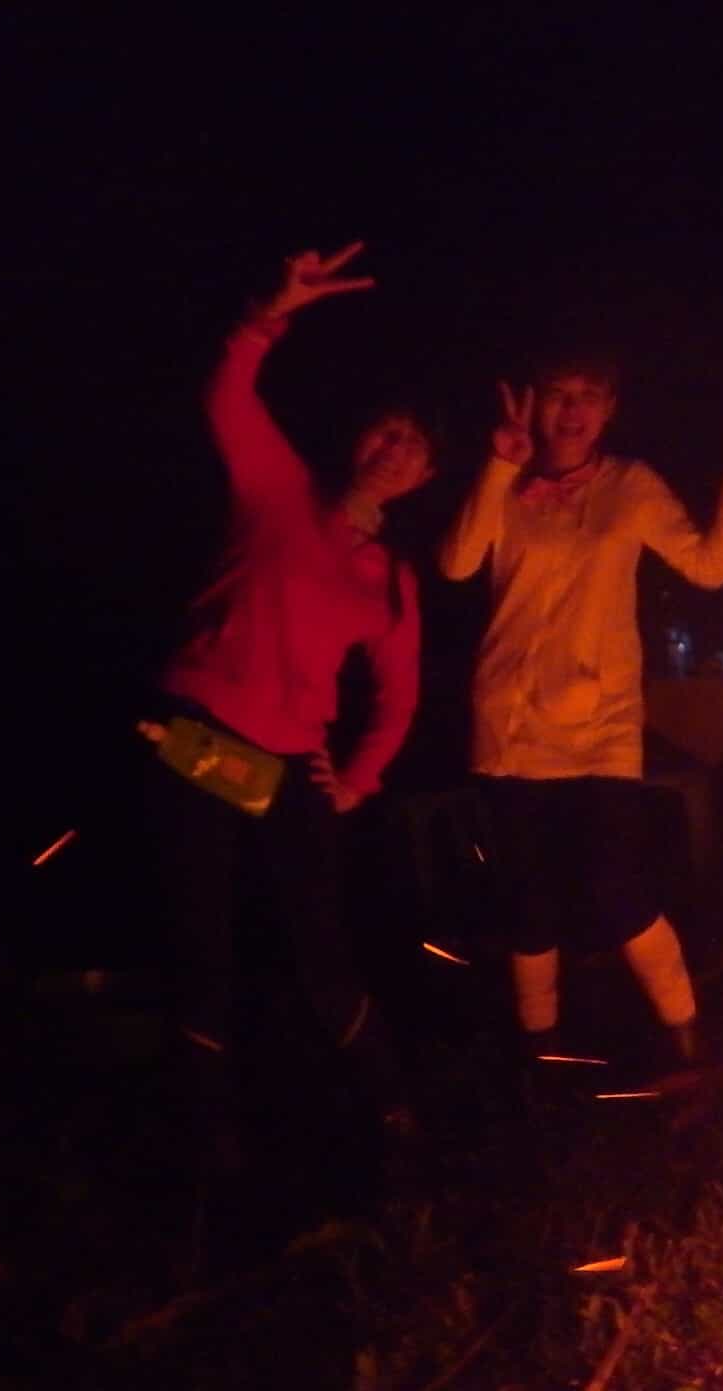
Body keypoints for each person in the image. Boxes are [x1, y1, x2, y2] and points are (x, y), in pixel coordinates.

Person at [147, 243, 431, 1172]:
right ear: (359, 442)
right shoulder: (279, 489)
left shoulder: (388, 580)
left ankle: (392, 1116)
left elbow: (400, 694)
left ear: (423, 479)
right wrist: (273, 311)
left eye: (415, 447)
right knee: (202, 939)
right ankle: (206, 1138)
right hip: (197, 735)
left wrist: (355, 782)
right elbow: (227, 394)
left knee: (321, 947)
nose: (395, 452)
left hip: (285, 767)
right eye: (385, 433)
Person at [438, 355, 723, 1073]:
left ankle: (685, 1035)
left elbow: (708, 565)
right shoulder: (506, 481)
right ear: (533, 405)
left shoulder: (629, 487)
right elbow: (454, 564)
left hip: (601, 724)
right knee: (527, 901)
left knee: (617, 891)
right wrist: (496, 469)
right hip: (510, 726)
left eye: (590, 397)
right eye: (557, 394)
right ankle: (538, 1046)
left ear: (609, 410)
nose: (573, 410)